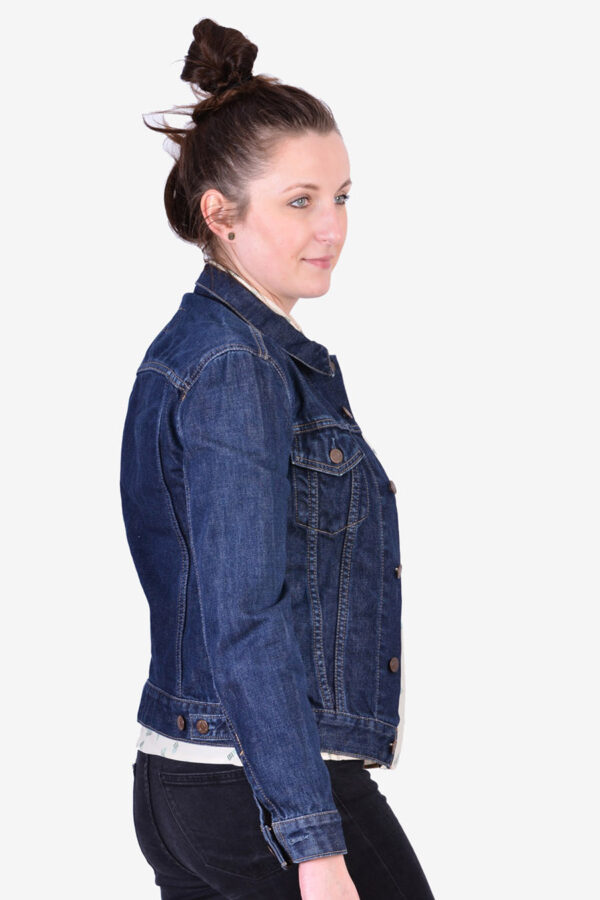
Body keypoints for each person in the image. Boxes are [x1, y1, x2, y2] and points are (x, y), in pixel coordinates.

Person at [120, 16, 436, 900]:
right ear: (219, 214)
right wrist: (314, 841)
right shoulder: (237, 367)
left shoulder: (198, 350)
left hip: (189, 780)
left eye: (342, 196)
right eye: (300, 201)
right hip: (258, 787)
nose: (332, 226)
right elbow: (246, 618)